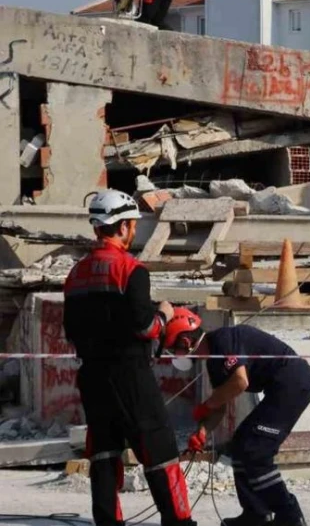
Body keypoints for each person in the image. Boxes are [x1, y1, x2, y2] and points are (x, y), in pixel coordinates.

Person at [63, 189, 196, 526]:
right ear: (121, 227)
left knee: (105, 453)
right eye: (132, 224)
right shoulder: (131, 270)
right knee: (160, 451)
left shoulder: (75, 274)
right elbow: (144, 327)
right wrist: (164, 315)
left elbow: (71, 329)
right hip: (131, 375)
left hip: (92, 376)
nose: (134, 230)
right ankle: (178, 522)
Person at [161, 313, 310, 526]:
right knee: (240, 446)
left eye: (173, 349)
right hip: (280, 388)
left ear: (186, 342)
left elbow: (239, 382)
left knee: (256, 451)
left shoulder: (224, 340)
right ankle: (255, 514)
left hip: (293, 383)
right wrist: (203, 431)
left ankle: (290, 517)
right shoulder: (214, 363)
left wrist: (208, 404)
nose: (173, 355)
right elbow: (221, 404)